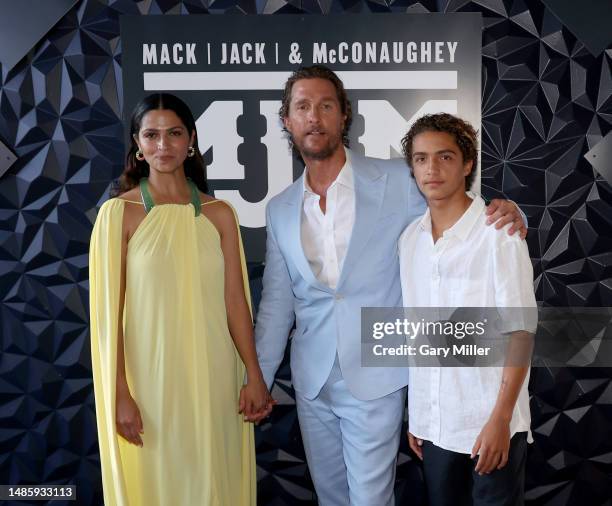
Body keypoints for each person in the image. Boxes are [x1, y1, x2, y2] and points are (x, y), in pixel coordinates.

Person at [254, 65, 527, 505]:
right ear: (287, 120)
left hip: (376, 375)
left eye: (326, 105)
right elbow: (276, 305)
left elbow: (458, 204)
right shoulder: (281, 208)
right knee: (331, 497)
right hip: (311, 379)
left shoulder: (397, 179)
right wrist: (258, 377)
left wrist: (514, 216)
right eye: (302, 107)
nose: (314, 117)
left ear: (344, 116)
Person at [89, 93, 272, 506]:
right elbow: (108, 317)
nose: (163, 145)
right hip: (150, 383)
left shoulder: (220, 213)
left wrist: (254, 374)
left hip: (216, 376)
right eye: (151, 135)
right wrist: (118, 392)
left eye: (173, 134)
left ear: (191, 140)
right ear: (137, 144)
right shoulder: (117, 214)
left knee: (214, 481)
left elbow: (236, 303)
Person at [399, 113, 536, 506]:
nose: (432, 169)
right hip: (436, 428)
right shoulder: (410, 241)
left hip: (489, 425)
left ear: (467, 164)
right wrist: (419, 413)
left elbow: (521, 332)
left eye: (445, 157)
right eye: (421, 159)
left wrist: (501, 419)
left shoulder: (499, 235)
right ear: (412, 167)